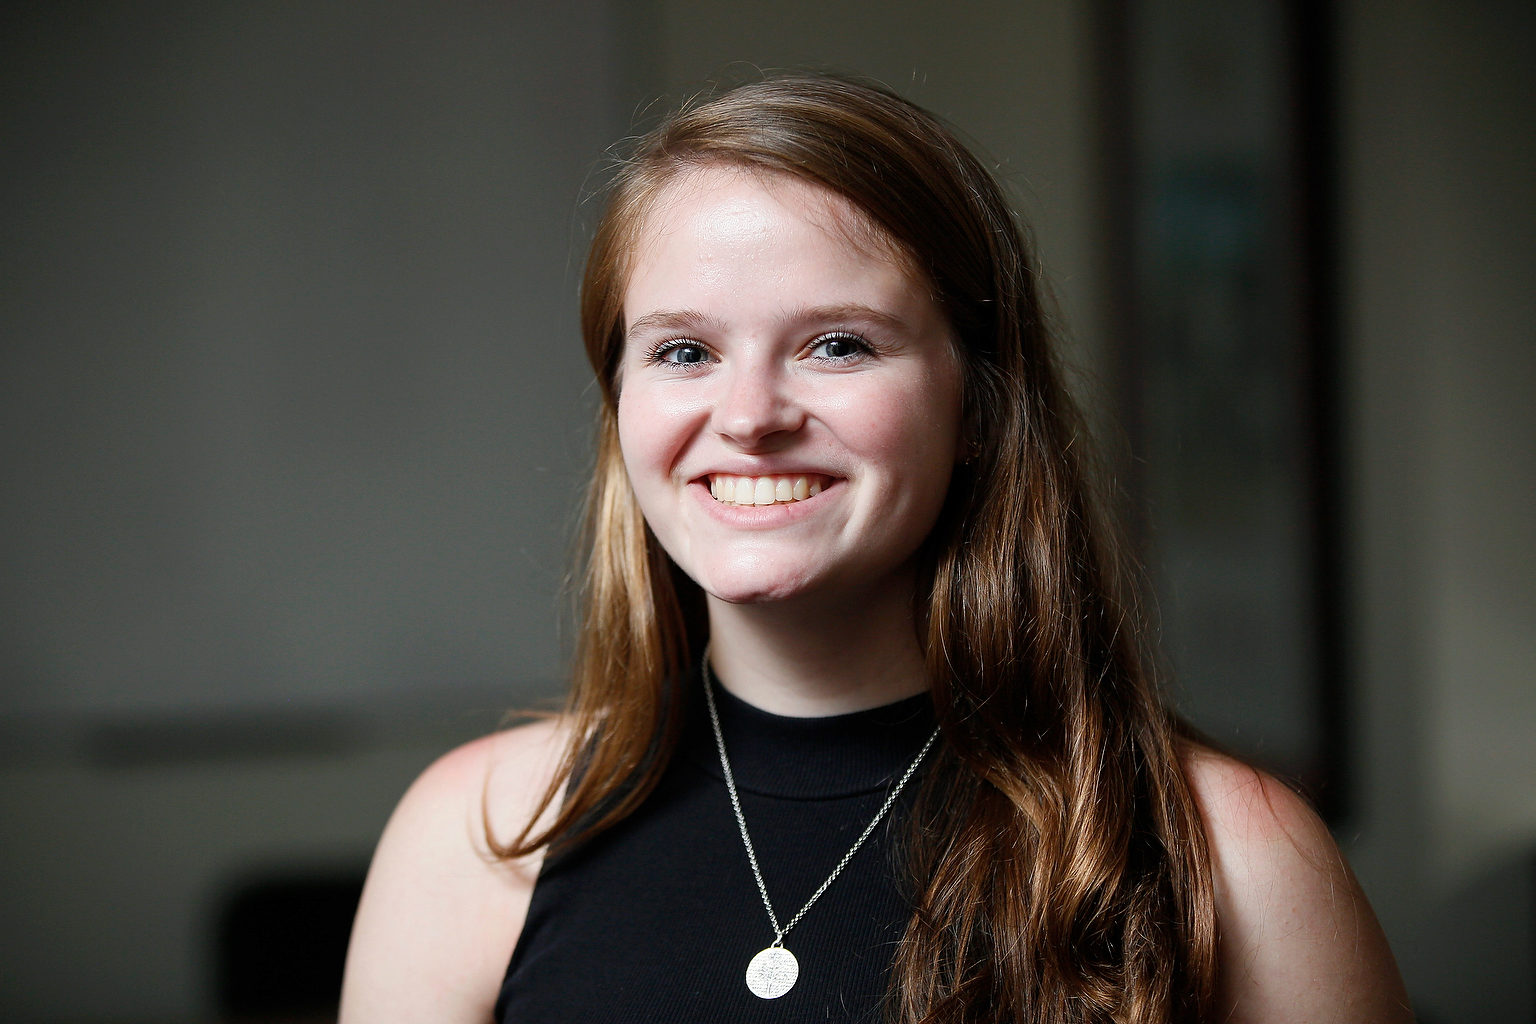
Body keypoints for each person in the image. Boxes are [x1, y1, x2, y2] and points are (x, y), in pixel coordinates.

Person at [339, 73, 1410, 1023]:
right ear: (620, 401)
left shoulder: (1237, 860)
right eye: (684, 350)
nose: (750, 413)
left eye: (837, 343)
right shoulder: (475, 839)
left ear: (980, 403)